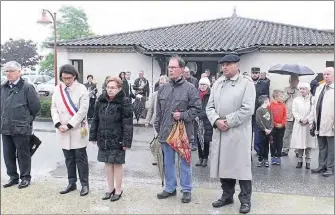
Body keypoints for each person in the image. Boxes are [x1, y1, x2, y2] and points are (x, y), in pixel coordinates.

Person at [206, 54, 256, 214]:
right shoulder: (218, 83)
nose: (224, 67)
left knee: (241, 167)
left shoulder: (246, 84)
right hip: (220, 131)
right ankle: (227, 195)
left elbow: (248, 109)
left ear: (236, 65)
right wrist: (216, 121)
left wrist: (227, 121)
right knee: (225, 165)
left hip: (238, 132)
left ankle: (245, 200)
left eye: (228, 64)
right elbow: (209, 106)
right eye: (223, 65)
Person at [154, 56, 202, 203]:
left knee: (185, 163)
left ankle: (186, 189)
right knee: (168, 162)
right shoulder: (163, 88)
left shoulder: (190, 88)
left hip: (183, 134)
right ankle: (170, 188)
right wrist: (158, 127)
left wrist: (182, 115)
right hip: (166, 133)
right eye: (169, 67)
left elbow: (197, 109)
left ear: (182, 69)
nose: (171, 70)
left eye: (174, 67)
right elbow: (159, 112)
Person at [89, 76, 133, 201]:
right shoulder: (101, 100)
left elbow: (128, 123)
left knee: (117, 164)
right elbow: (95, 119)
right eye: (108, 87)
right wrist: (93, 135)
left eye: (113, 87)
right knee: (107, 163)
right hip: (104, 137)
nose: (110, 90)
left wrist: (126, 141)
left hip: (117, 138)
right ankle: (110, 189)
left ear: (119, 88)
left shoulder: (124, 102)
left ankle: (118, 190)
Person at [51, 64, 90, 196]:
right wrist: (57, 123)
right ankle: (71, 183)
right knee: (68, 158)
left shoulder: (82, 89)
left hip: (77, 129)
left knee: (81, 158)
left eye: (68, 78)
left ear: (74, 76)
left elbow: (82, 111)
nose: (66, 81)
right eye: (63, 78)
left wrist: (69, 125)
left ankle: (84, 184)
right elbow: (53, 107)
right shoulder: (58, 89)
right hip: (62, 129)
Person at [1, 61, 41, 189]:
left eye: (11, 70)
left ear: (19, 72)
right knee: (8, 154)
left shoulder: (27, 87)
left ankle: (25, 177)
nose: (8, 73)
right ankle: (13, 177)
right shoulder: (3, 87)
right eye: (6, 71)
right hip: (6, 127)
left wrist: (26, 120)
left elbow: (35, 107)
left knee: (23, 154)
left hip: (22, 127)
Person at [311, 67, 334, 177]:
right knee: (322, 146)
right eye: (324, 74)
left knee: (331, 148)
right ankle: (322, 165)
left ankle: (330, 168)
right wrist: (312, 120)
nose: (325, 76)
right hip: (320, 122)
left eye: (328, 74)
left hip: (331, 123)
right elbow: (314, 105)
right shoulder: (320, 87)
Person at [290, 83, 316, 169]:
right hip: (299, 124)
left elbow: (313, 111)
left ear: (308, 89)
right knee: (300, 143)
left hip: (309, 124)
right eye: (300, 89)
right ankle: (299, 161)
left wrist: (307, 119)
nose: (302, 90)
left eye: (304, 89)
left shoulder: (312, 99)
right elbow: (294, 111)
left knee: (308, 144)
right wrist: (300, 119)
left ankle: (308, 161)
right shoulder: (296, 100)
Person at [145, 75, 169, 165]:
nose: (162, 85)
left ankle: (166, 158)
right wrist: (147, 121)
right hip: (156, 122)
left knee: (166, 141)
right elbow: (150, 109)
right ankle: (156, 158)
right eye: (161, 83)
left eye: (164, 83)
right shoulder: (155, 94)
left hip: (167, 122)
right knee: (157, 140)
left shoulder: (171, 94)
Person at [251, 67, 270, 155]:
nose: (255, 74)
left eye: (256, 73)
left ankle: (258, 149)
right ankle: (247, 149)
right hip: (249, 111)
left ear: (259, 74)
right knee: (248, 132)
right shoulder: (248, 83)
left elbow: (266, 98)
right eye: (253, 73)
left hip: (259, 112)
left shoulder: (264, 84)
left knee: (258, 132)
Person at [195, 77, 213, 167]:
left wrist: (199, 116)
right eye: (201, 84)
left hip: (207, 121)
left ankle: (205, 158)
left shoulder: (210, 94)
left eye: (204, 84)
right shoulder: (196, 94)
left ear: (208, 85)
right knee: (198, 139)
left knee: (206, 140)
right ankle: (200, 158)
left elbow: (208, 108)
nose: (202, 86)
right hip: (197, 121)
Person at [282, 75, 300, 157]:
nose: (294, 82)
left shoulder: (299, 91)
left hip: (297, 116)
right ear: (290, 81)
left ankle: (297, 150)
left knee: (297, 134)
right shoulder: (285, 89)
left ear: (298, 82)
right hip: (288, 115)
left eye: (295, 81)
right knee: (286, 134)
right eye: (292, 81)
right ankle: (285, 149)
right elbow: (281, 100)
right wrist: (287, 94)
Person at [269, 90, 287, 165]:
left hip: (281, 127)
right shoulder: (270, 105)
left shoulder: (283, 105)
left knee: (279, 142)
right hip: (273, 127)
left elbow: (285, 116)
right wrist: (275, 124)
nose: (282, 98)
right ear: (276, 97)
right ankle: (273, 157)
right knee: (272, 142)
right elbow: (270, 116)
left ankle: (278, 156)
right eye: (281, 96)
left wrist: (282, 124)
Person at [184, 66, 199, 151]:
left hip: (192, 105)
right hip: (184, 106)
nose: (188, 74)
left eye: (188, 72)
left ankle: (193, 143)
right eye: (186, 72)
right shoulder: (181, 81)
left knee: (193, 127)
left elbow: (196, 93)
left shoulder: (194, 81)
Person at [255, 95, 273, 167]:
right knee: (261, 145)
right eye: (268, 101)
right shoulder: (259, 110)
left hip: (268, 131)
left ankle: (266, 159)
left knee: (266, 146)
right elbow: (258, 121)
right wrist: (264, 129)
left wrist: (270, 129)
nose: (269, 102)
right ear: (265, 101)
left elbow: (272, 120)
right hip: (261, 131)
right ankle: (260, 158)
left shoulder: (269, 109)